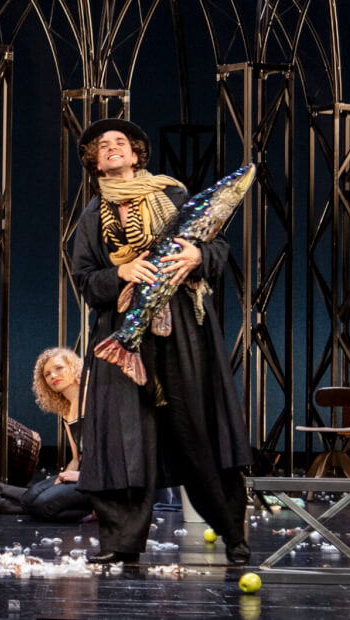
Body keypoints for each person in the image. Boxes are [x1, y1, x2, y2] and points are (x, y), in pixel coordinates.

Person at [70, 119, 252, 565]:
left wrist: (197, 255)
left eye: (121, 142)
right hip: (123, 334)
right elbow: (85, 279)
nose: (112, 147)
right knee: (123, 435)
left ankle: (233, 534)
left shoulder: (173, 195)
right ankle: (120, 542)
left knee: (198, 428)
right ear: (96, 163)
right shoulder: (93, 215)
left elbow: (218, 247)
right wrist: (121, 272)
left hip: (182, 330)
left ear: (135, 155)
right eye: (103, 146)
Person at [22, 347, 94, 522]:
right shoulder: (66, 411)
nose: (53, 376)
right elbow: (76, 459)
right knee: (28, 499)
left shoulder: (92, 398)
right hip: (82, 473)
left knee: (43, 505)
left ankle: (101, 512)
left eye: (59, 368)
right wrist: (63, 480)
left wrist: (83, 477)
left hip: (102, 478)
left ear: (74, 368)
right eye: (47, 374)